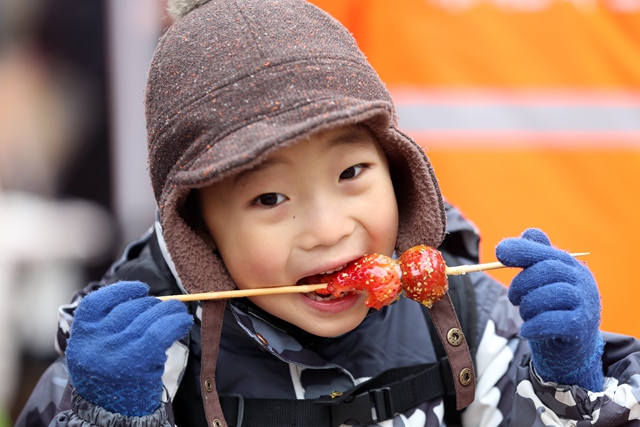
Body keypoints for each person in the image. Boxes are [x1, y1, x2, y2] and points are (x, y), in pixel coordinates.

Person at [15, 0, 640, 426]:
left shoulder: (465, 319)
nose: (328, 229)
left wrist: (568, 381)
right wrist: (107, 414)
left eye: (352, 175)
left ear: (398, 171)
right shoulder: (144, 356)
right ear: (197, 230)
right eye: (269, 199)